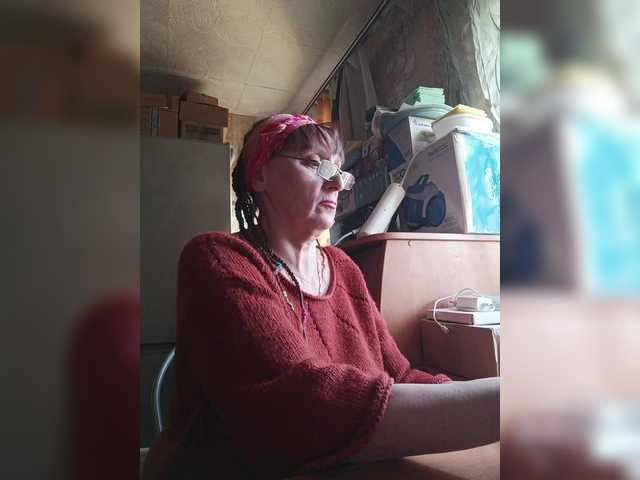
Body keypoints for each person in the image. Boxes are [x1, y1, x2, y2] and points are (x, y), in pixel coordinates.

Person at [143, 114, 499, 480]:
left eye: (340, 171)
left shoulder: (344, 269)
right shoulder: (218, 258)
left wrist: (471, 397)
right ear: (260, 175)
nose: (336, 182)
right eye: (315, 163)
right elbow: (297, 404)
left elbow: (401, 374)